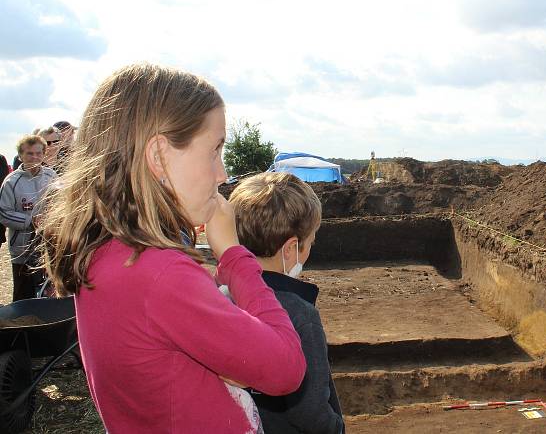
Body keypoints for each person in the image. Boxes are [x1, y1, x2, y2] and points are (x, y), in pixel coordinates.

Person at [42, 63, 306, 433]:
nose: (222, 174)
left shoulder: (107, 254)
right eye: (214, 150)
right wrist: (232, 254)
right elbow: (286, 369)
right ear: (159, 156)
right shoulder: (160, 273)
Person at [229, 172, 344, 434]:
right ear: (290, 249)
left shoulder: (219, 298)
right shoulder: (300, 316)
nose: (311, 248)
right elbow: (310, 412)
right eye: (311, 241)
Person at [0, 135, 57, 300]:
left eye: (39, 153)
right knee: (23, 293)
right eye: (30, 153)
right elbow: (4, 213)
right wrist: (30, 221)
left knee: (48, 292)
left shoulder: (51, 177)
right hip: (22, 247)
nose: (35, 157)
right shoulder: (11, 182)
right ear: (20, 155)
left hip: (49, 245)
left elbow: (61, 202)